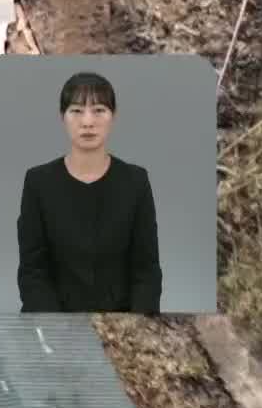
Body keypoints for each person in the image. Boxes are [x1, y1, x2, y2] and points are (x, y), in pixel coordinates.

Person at [16, 71, 162, 313]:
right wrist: (58, 329)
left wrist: (134, 327)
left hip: (122, 325)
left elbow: (146, 270)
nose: (87, 122)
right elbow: (33, 272)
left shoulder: (135, 181)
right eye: (76, 111)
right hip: (54, 325)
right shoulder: (38, 182)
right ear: (62, 117)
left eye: (98, 110)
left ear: (113, 116)